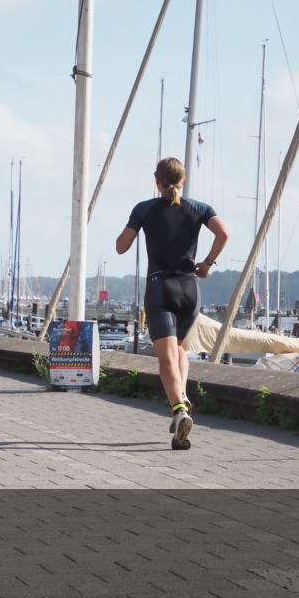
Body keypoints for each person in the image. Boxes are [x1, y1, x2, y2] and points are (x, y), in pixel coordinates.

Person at [115, 157, 228, 450]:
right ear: (183, 180)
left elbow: (120, 247)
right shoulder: (200, 209)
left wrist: (136, 225)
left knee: (165, 357)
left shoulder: (144, 209)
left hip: (160, 288)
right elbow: (223, 233)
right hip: (190, 289)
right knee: (179, 349)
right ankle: (183, 398)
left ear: (157, 181)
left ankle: (179, 409)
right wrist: (207, 263)